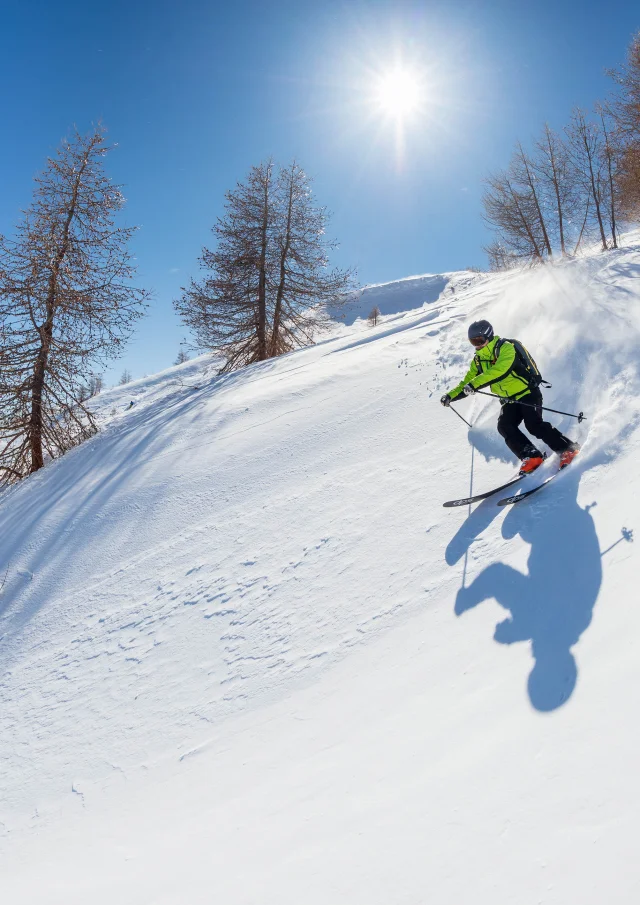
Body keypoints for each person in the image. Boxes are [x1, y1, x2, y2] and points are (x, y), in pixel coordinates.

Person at [440, 319, 579, 474]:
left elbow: (500, 371)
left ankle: (568, 449)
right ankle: (531, 456)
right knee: (505, 426)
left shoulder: (506, 348)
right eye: (473, 341)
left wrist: (474, 384)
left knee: (534, 425)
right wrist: (450, 396)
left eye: (479, 340)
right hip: (509, 400)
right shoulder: (478, 360)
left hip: (527, 393)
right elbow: (466, 382)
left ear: (489, 336)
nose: (477, 345)